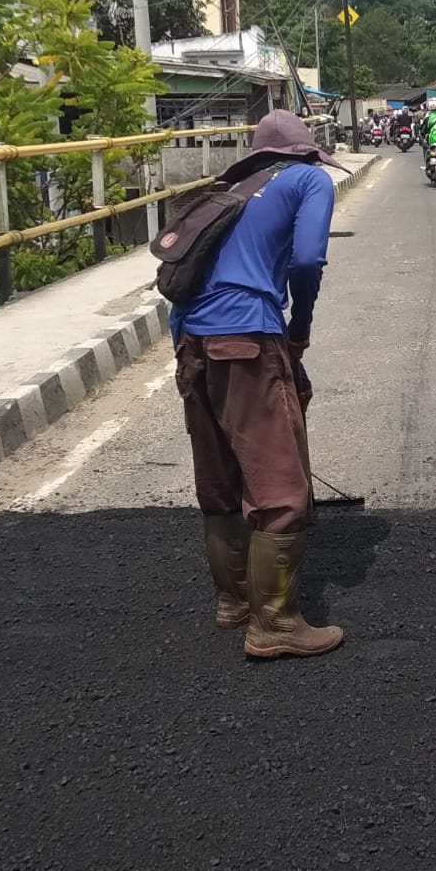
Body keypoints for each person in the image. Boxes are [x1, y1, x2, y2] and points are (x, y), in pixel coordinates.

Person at [171, 110, 345, 660]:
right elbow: (309, 258)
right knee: (282, 488)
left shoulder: (232, 191)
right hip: (249, 336)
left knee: (220, 477)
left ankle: (233, 601)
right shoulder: (310, 178)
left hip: (192, 339)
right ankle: (275, 624)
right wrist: (300, 329)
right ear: (306, 150)